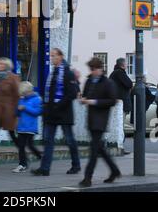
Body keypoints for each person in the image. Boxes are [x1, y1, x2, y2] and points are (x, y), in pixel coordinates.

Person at [31, 48, 81, 176]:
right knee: (48, 141)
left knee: (69, 140)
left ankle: (76, 165)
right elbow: (49, 92)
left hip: (64, 113)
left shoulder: (68, 73)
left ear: (60, 57)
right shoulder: (53, 73)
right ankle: (45, 168)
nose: (51, 58)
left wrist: (58, 105)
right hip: (51, 113)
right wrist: (47, 106)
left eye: (54, 56)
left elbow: (72, 94)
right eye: (51, 56)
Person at [79, 57, 121, 188]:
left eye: (94, 69)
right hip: (91, 119)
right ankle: (115, 171)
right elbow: (85, 95)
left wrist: (94, 102)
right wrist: (83, 99)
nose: (92, 72)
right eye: (91, 69)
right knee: (99, 148)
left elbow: (112, 101)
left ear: (100, 69)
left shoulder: (108, 83)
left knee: (94, 150)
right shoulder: (89, 81)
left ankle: (87, 178)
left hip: (101, 120)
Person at [12, 81, 42, 173]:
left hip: (30, 127)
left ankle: (41, 156)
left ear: (29, 91)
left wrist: (25, 108)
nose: (23, 95)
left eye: (24, 93)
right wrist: (17, 108)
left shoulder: (37, 99)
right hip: (21, 127)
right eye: (22, 94)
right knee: (21, 146)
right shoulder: (22, 99)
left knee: (30, 145)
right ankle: (22, 164)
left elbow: (38, 112)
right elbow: (17, 113)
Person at [109, 58, 133, 154]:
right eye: (126, 64)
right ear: (122, 65)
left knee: (118, 126)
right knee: (120, 126)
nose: (127, 65)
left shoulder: (114, 73)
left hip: (116, 103)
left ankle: (119, 145)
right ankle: (120, 147)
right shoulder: (120, 73)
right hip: (120, 104)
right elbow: (129, 83)